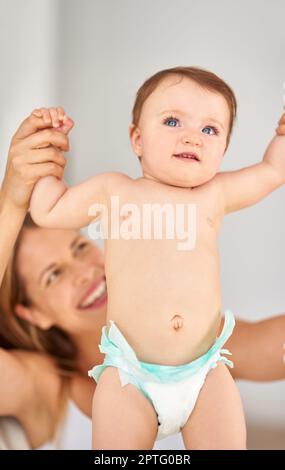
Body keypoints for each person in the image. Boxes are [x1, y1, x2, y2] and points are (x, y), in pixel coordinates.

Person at [28, 66, 285, 450]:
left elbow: (272, 170)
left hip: (205, 372)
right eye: (172, 120)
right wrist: (49, 154)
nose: (191, 137)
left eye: (210, 130)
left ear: (224, 150)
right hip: (130, 375)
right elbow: (49, 211)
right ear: (137, 138)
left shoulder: (214, 195)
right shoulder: (114, 190)